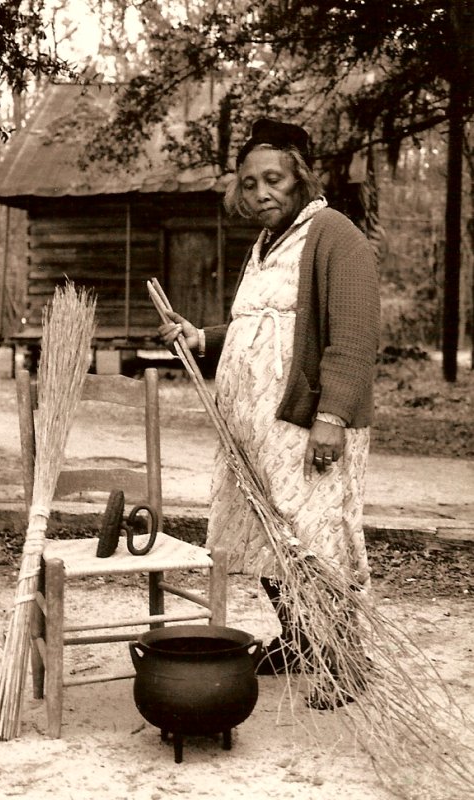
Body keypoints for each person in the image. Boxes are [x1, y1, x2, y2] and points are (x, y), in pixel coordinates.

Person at [159, 118, 380, 699]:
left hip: (305, 424)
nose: (261, 192)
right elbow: (258, 330)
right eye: (250, 182)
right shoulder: (263, 247)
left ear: (301, 178)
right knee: (269, 536)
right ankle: (301, 639)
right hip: (253, 429)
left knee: (314, 541)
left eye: (274, 179)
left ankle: (344, 659)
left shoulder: (333, 235)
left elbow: (352, 338)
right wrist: (202, 338)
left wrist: (330, 418)